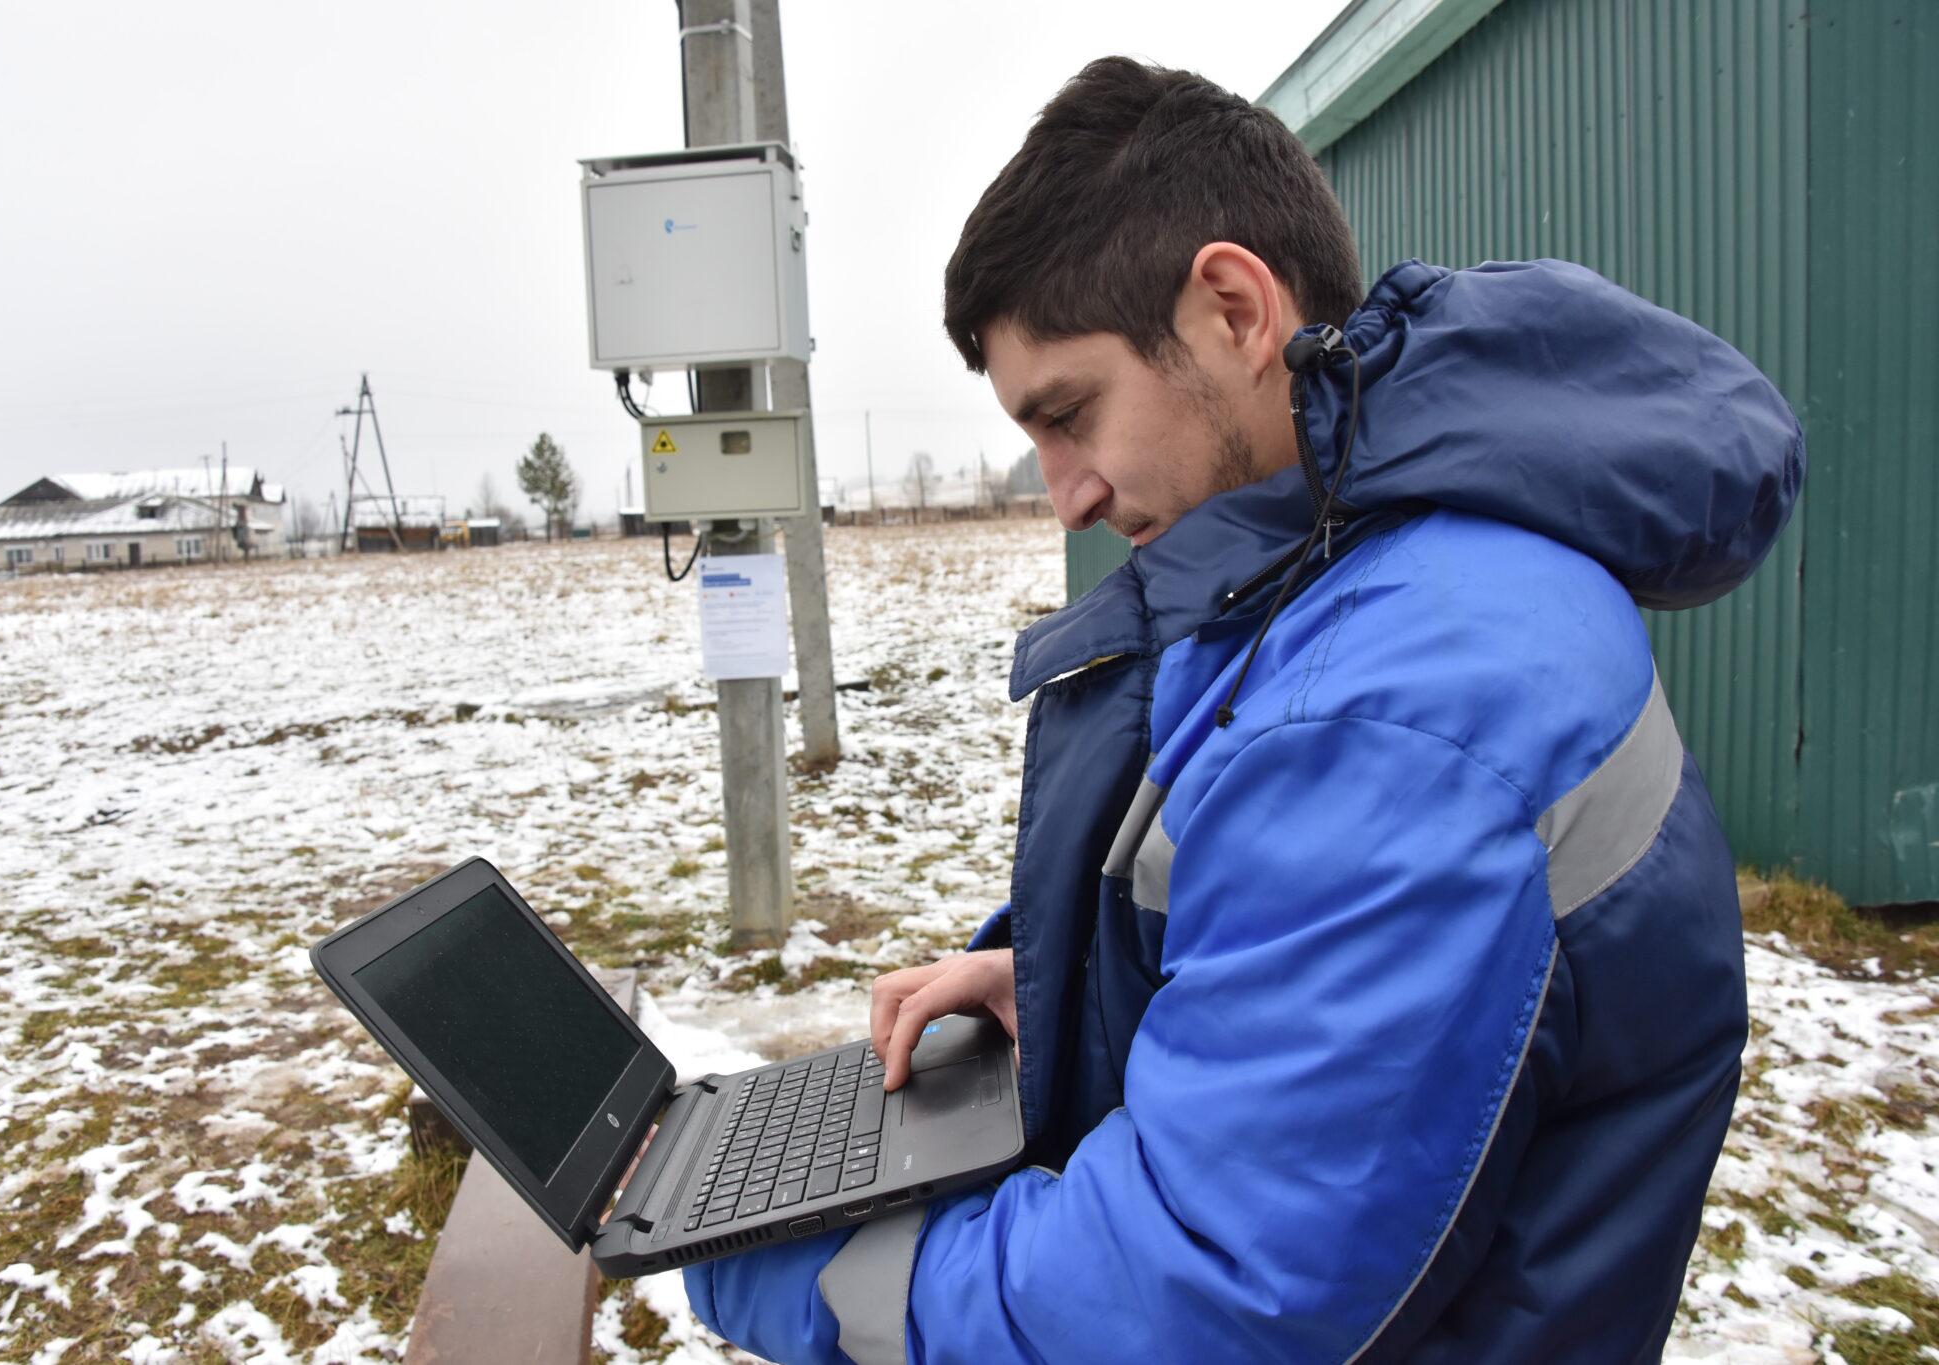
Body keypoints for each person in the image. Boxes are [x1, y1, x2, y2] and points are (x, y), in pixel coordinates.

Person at [687, 56, 1803, 1364]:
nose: (1066, 494)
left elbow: (1202, 1301)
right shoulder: (1347, 566)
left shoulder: (1402, 699)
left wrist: (799, 1277)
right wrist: (1068, 982)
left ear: (1231, 306)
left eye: (1070, 414)